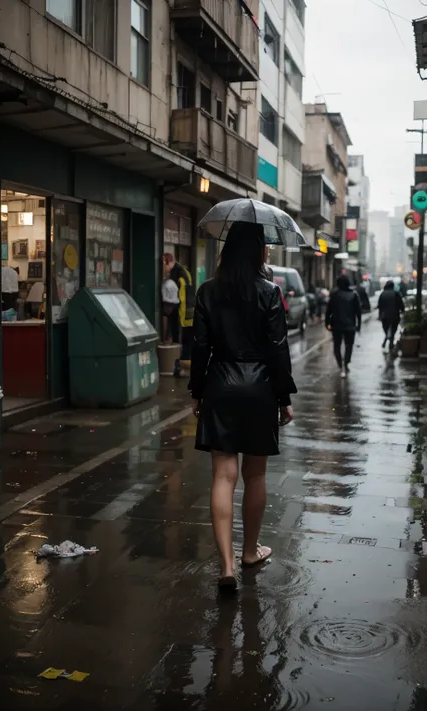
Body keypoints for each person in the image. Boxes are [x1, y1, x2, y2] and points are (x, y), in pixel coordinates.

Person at [189, 222, 297, 590]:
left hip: (220, 384)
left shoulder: (207, 292)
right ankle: (250, 550)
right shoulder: (270, 292)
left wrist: (198, 392)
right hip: (260, 388)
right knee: (255, 474)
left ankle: (226, 566)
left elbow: (199, 348)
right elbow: (278, 350)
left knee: (222, 476)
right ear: (256, 252)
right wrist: (283, 397)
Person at [163, 253, 195, 377]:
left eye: (164, 264)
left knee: (183, 340)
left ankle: (181, 366)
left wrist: (177, 315)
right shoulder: (179, 272)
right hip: (185, 313)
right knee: (183, 340)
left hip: (183, 314)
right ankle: (181, 366)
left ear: (168, 262)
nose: (164, 268)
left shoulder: (179, 274)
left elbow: (182, 297)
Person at [325, 275, 362, 377]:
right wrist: (359, 325)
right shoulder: (354, 295)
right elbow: (358, 312)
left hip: (336, 325)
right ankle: (346, 362)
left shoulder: (334, 295)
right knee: (349, 346)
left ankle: (340, 364)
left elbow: (328, 311)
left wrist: (327, 323)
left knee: (337, 346)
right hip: (350, 326)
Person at [378, 280, 405, 350]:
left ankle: (387, 340)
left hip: (385, 316)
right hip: (394, 315)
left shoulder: (382, 294)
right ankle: (391, 343)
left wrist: (380, 315)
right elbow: (401, 304)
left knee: (386, 329)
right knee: (393, 330)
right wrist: (402, 310)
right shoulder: (396, 293)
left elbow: (380, 306)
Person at [161, 274, 179, 343]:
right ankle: (173, 340)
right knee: (173, 324)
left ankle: (165, 338)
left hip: (168, 303)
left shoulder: (164, 284)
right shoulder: (173, 283)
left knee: (166, 320)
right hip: (176, 303)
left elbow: (164, 297)